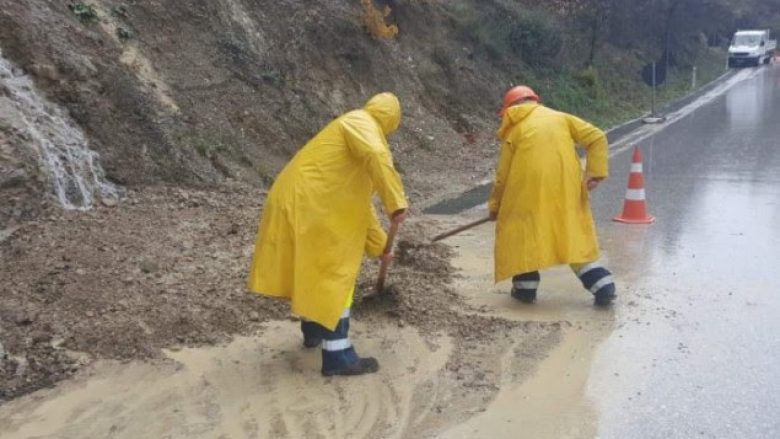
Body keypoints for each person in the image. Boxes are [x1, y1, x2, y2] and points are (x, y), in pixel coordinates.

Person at [247, 92, 408, 376]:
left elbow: (361, 209)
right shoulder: (361, 122)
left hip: (300, 201)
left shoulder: (355, 144)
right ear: (392, 120)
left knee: (314, 270)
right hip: (312, 204)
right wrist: (396, 202)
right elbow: (376, 155)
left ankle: (314, 329)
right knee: (336, 275)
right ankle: (338, 355)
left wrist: (381, 247)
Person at [488, 85, 616, 306]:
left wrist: (496, 206)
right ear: (534, 101)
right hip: (566, 189)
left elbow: (503, 175)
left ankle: (525, 290)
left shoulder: (515, 130)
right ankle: (603, 285)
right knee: (571, 235)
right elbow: (597, 137)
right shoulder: (561, 118)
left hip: (525, 194)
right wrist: (595, 173)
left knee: (523, 236)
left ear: (510, 109)